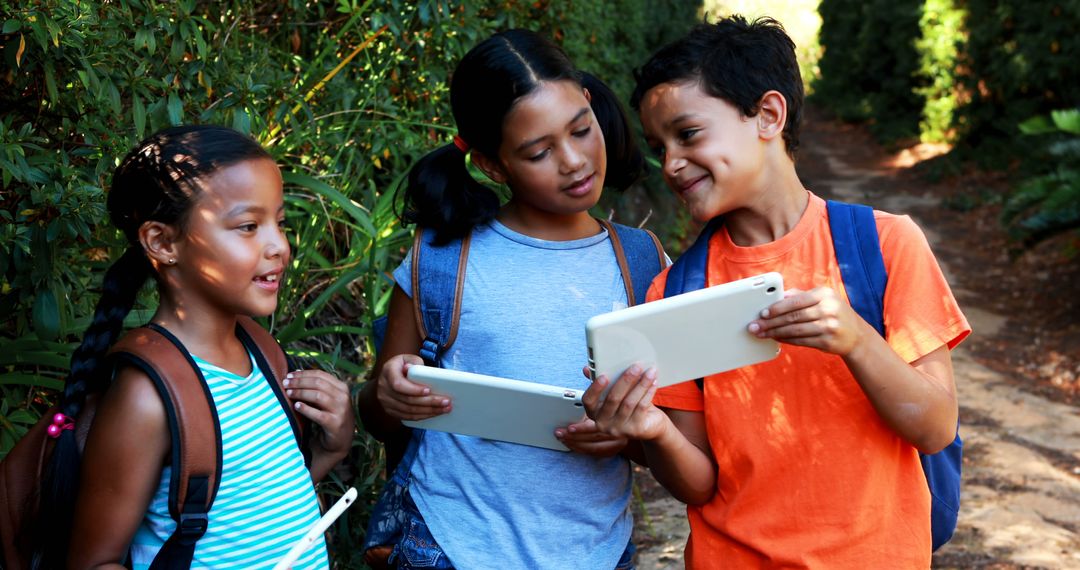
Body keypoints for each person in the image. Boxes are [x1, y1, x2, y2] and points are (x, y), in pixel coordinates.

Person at [582, 16, 972, 568]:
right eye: (659, 145)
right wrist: (653, 432)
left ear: (768, 115)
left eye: (688, 134)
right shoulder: (674, 291)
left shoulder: (884, 244)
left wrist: (857, 341)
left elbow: (934, 427)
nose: (670, 163)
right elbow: (699, 484)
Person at [357, 29, 662, 570]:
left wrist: (625, 436)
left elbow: (672, 432)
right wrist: (390, 394)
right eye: (539, 151)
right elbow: (381, 415)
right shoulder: (443, 260)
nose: (573, 161)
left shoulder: (641, 262)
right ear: (493, 166)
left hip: (597, 550)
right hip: (449, 545)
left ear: (591, 104)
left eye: (581, 130)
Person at [33, 125, 353, 569]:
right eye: (248, 226)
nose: (279, 246)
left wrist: (330, 449)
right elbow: (93, 562)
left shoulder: (262, 354)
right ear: (162, 243)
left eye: (279, 223)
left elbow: (249, 516)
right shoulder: (147, 398)